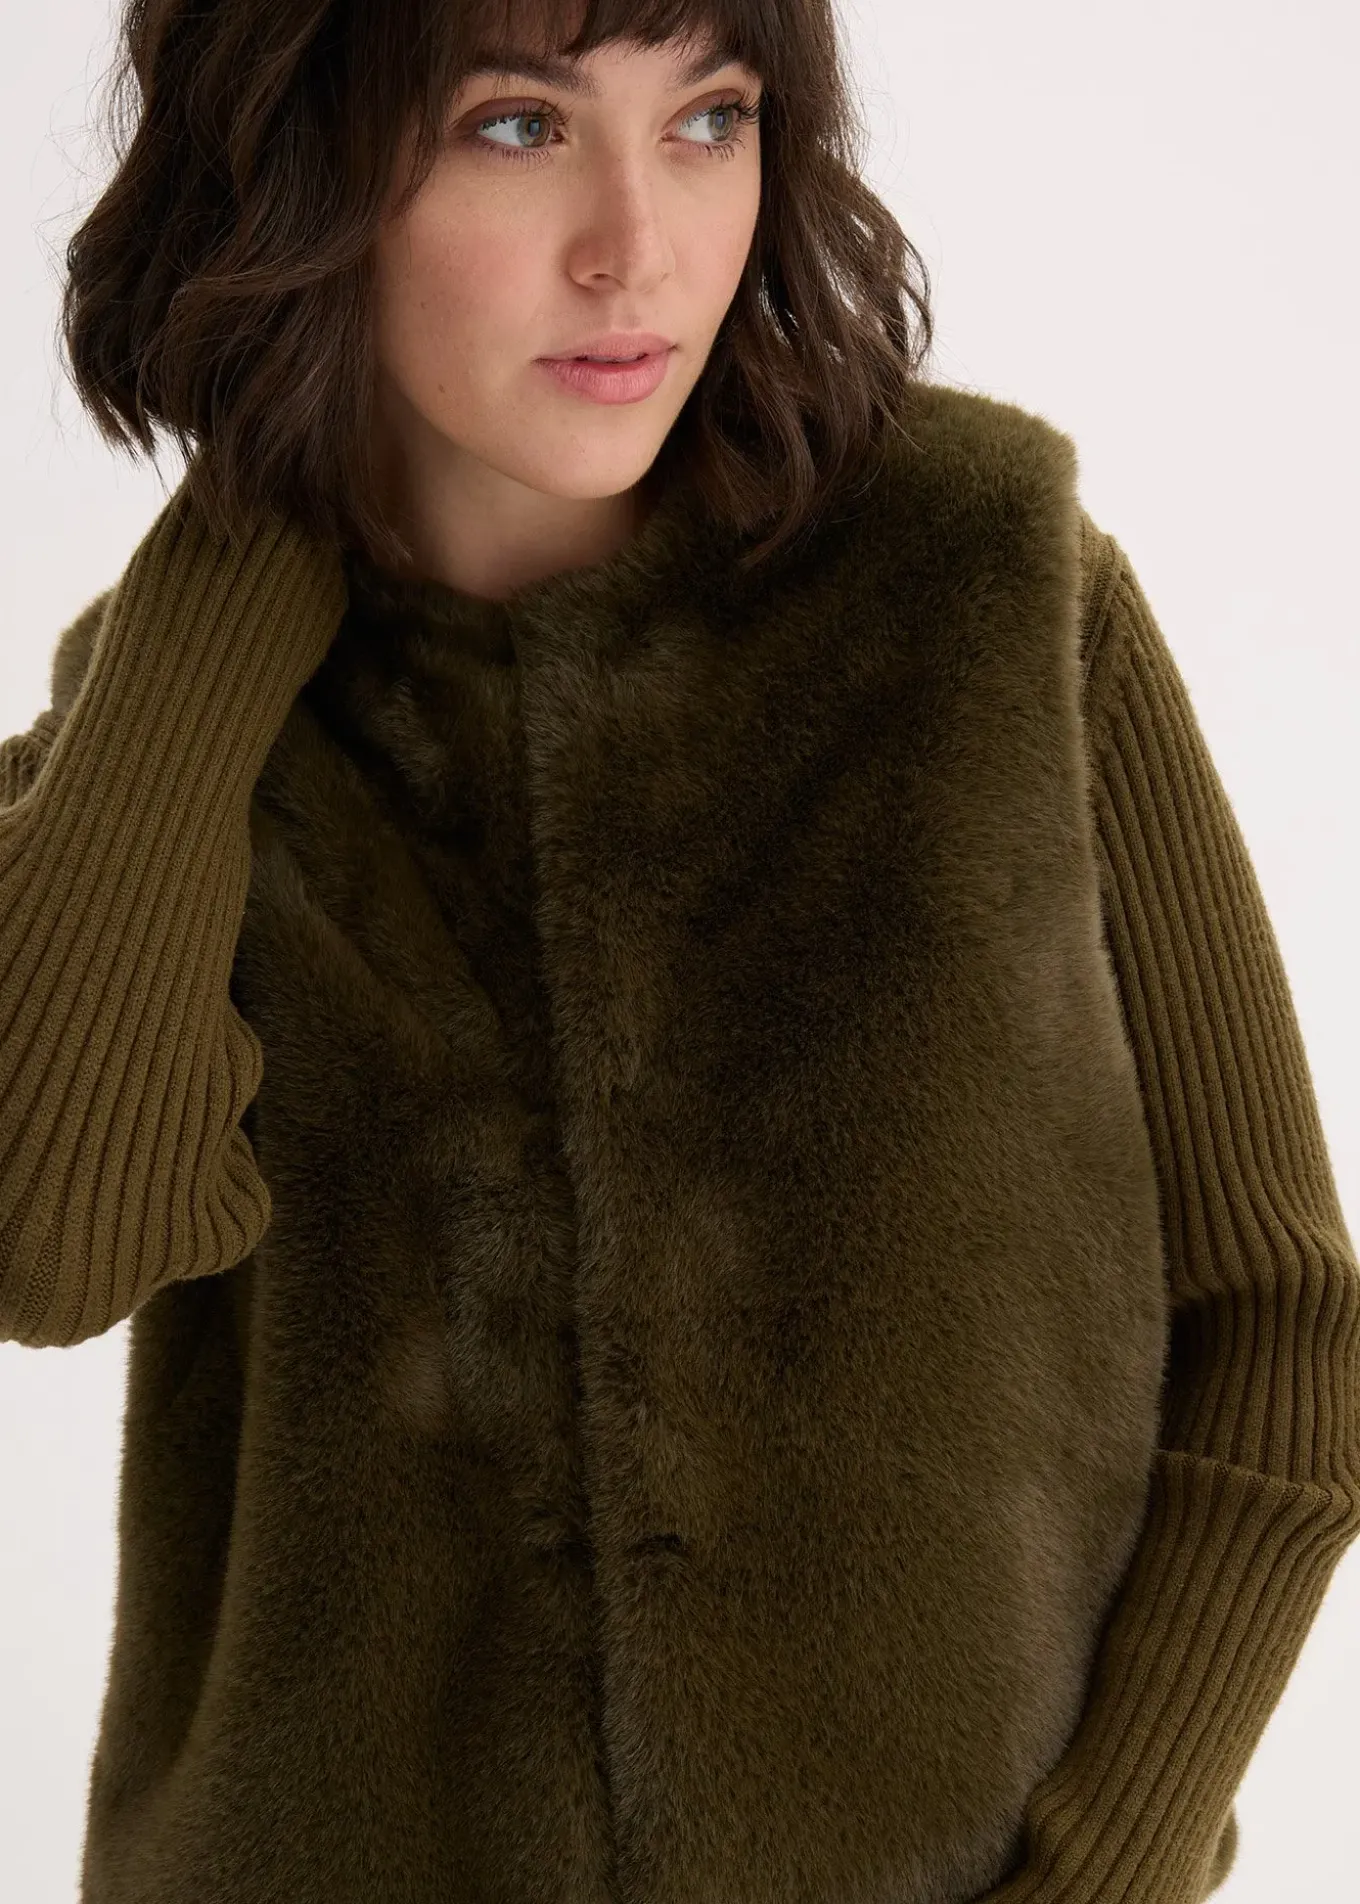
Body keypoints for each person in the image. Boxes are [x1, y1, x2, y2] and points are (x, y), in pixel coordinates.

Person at [3, 5, 1356, 1902]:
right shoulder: (165, 733)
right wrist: (244, 533)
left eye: (709, 119)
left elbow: (1281, 1332)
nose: (637, 250)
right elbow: (51, 1243)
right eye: (516, 126)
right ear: (293, 176)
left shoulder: (990, 593)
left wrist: (1095, 1879)